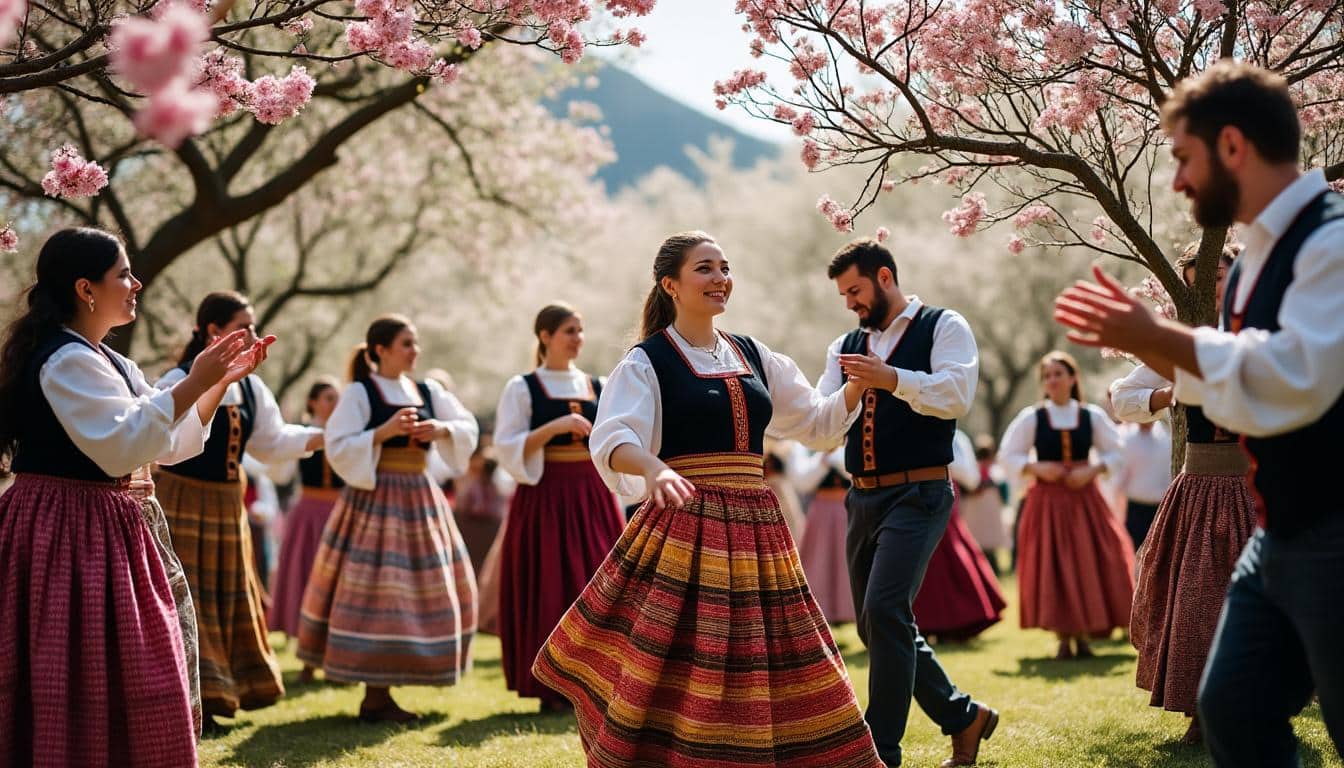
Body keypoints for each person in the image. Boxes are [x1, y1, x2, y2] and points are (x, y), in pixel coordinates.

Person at [1055, 61, 1344, 764]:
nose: (1179, 181)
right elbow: (1239, 395)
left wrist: (1158, 340)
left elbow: (1299, 375)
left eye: (1185, 158)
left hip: (1336, 533)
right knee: (1231, 710)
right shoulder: (1250, 265)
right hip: (1275, 533)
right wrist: (1165, 368)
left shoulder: (1332, 243)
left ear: (1234, 147)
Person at [533, 231, 884, 767]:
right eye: (705, 269)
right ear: (670, 284)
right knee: (690, 658)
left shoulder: (754, 354)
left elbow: (815, 423)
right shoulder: (646, 362)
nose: (720, 278)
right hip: (686, 527)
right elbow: (613, 440)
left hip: (758, 526)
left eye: (725, 267)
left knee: (776, 652)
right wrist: (654, 468)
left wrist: (858, 385)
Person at [0, 227, 265, 765]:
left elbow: (166, 445)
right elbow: (120, 448)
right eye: (123, 273)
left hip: (106, 523)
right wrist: (195, 379)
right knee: (75, 663)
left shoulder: (112, 362)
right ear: (85, 288)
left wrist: (214, 384)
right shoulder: (65, 361)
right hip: (64, 526)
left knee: (138, 662)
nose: (136, 282)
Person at [818, 237, 996, 767]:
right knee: (879, 624)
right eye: (844, 295)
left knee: (884, 610)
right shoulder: (844, 344)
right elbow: (827, 421)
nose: (850, 303)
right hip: (861, 498)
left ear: (885, 278)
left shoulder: (944, 325)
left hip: (920, 491)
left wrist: (891, 379)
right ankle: (964, 716)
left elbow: (957, 393)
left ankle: (881, 753)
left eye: (855, 290)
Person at [298, 314, 479, 723]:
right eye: (406, 344)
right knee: (379, 590)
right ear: (380, 350)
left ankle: (392, 684)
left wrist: (440, 429)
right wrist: (382, 432)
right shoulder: (361, 392)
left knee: (422, 589)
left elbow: (466, 424)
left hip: (420, 494)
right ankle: (375, 692)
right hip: (375, 499)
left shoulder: (429, 390)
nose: (415, 351)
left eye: (415, 343)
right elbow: (338, 443)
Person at [156, 291, 323, 728]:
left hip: (229, 505)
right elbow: (162, 434)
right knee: (189, 598)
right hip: (181, 500)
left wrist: (325, 436)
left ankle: (220, 692)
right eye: (242, 326)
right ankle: (192, 700)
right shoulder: (177, 378)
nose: (251, 333)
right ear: (214, 331)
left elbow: (272, 442)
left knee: (226, 597)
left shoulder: (251, 384)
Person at [1108, 245, 1254, 743]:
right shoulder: (1182, 345)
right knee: (1193, 601)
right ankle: (1198, 710)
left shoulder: (1263, 333)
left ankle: (1253, 706)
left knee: (1254, 601)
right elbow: (1121, 398)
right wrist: (1170, 392)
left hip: (1256, 487)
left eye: (1217, 276)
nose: (1209, 288)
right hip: (1198, 488)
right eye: (1198, 282)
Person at [492, 302, 626, 712]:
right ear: (545, 336)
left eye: (580, 330)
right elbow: (506, 446)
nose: (577, 338)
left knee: (600, 583)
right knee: (549, 583)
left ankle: (601, 681)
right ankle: (553, 685)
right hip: (545, 497)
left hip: (592, 496)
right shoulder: (523, 387)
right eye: (569, 330)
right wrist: (553, 429)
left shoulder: (599, 385)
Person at [1000, 351, 1133, 659]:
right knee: (1054, 565)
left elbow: (1118, 451)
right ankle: (1063, 635)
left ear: (1073, 378)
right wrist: (1036, 468)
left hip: (1085, 500)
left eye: (1058, 373)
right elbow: (1009, 454)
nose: (1052, 380)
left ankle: (1085, 632)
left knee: (1091, 560)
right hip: (1047, 502)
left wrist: (1093, 469)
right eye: (1047, 376)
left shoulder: (1091, 416)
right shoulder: (1033, 417)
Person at [266, 376, 344, 685]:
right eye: (328, 397)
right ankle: (308, 663)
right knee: (307, 580)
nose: (333, 403)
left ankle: (337, 660)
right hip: (308, 515)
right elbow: (280, 471)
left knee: (337, 585)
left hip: (339, 511)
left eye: (336, 398)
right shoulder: (299, 435)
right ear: (312, 401)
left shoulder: (346, 434)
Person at [911, 430, 1006, 644]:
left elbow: (971, 478)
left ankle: (955, 621)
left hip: (943, 499)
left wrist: (938, 460)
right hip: (909, 499)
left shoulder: (956, 437)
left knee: (948, 556)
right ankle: (919, 623)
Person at [797, 447, 857, 624]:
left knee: (845, 563)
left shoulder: (848, 447)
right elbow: (803, 482)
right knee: (818, 561)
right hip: (821, 510)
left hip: (845, 508)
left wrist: (834, 458)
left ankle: (846, 612)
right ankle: (820, 613)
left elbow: (853, 473)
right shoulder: (808, 451)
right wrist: (823, 460)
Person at [1112, 419, 1173, 551]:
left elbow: (1168, 473)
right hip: (1134, 508)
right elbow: (1121, 476)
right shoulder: (1127, 439)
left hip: (1158, 508)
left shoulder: (1165, 438)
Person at [958, 435, 1011, 575]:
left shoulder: (994, 471)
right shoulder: (974, 470)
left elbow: (1004, 491)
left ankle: (993, 568)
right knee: (979, 541)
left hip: (987, 513)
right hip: (977, 512)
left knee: (987, 542)